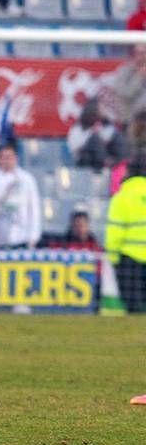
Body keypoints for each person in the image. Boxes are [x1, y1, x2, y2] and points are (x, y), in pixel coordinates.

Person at [106, 154, 146, 313]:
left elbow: (114, 232)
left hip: (129, 260)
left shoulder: (121, 197)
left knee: (133, 309)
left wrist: (114, 258)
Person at [0, 144, 41, 249]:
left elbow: (34, 208)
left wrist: (34, 236)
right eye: (3, 157)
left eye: (10, 157)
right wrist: (9, 187)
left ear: (16, 158)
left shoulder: (27, 179)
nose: (7, 161)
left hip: (22, 236)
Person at [67, 99, 126, 171]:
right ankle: (106, 162)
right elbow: (76, 146)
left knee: (117, 138)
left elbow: (110, 135)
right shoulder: (79, 127)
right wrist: (93, 133)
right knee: (94, 139)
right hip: (87, 159)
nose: (104, 110)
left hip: (106, 154)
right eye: (101, 107)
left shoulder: (105, 124)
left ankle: (123, 162)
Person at [112, 44, 146, 125]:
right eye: (139, 53)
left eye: (144, 53)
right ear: (133, 54)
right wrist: (139, 76)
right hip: (133, 121)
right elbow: (126, 94)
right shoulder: (124, 71)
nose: (142, 56)